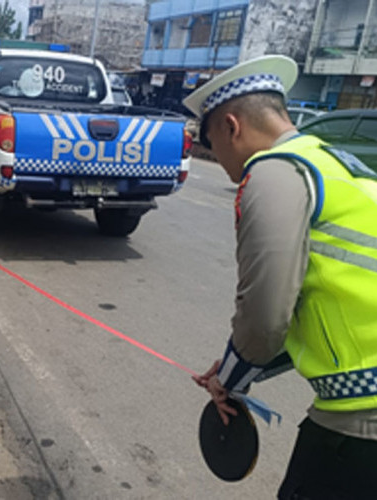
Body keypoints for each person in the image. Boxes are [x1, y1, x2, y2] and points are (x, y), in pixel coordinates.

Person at [186, 55, 377, 499]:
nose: (217, 158)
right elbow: (326, 308)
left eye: (211, 142)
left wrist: (229, 383)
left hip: (360, 424)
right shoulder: (339, 166)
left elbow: (266, 317)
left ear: (231, 127)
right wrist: (236, 371)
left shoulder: (274, 172)